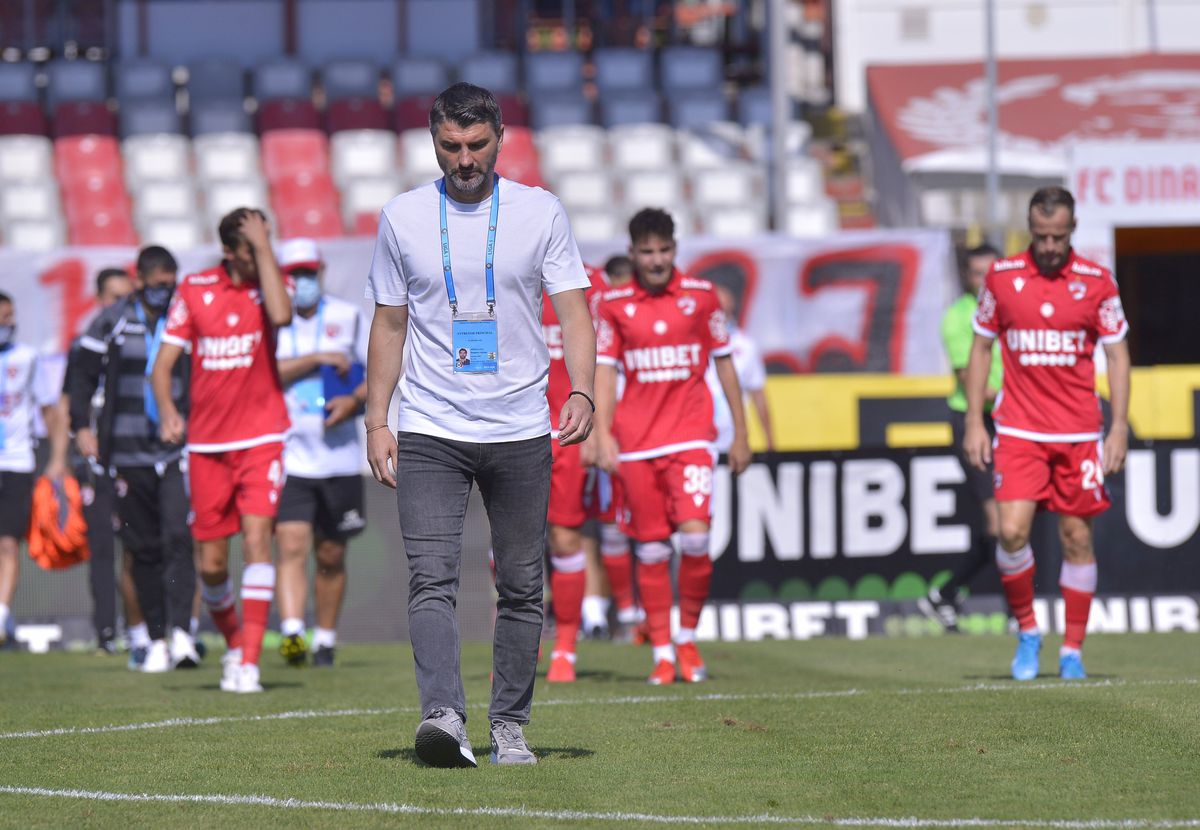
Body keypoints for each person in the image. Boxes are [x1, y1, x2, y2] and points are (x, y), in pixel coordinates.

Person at [364, 83, 595, 767]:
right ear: (433, 140)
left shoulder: (539, 211)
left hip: (521, 427)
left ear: (500, 138)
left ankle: (510, 726)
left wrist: (581, 388)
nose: (463, 158)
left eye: (476, 144)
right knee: (431, 576)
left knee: (521, 581)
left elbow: (575, 312)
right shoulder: (402, 216)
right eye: (449, 146)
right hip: (432, 425)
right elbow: (389, 322)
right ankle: (442, 717)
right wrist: (379, 419)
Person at [964, 186, 1130, 681]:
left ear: (1073, 230)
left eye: (1058, 237)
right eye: (1041, 237)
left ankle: (1073, 649)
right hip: (1018, 428)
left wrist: (1117, 427)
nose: (1051, 246)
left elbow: (1118, 355)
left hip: (1079, 431)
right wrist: (975, 419)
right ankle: (1029, 630)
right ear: (1029, 230)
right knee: (1011, 531)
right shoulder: (1003, 277)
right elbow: (980, 348)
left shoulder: (1098, 282)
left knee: (1077, 536)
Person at [594, 208, 752, 685]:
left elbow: (725, 366)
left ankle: (686, 636)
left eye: (664, 250)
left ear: (675, 250)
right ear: (633, 253)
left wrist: (742, 433)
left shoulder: (702, 299)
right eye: (647, 251)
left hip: (691, 436)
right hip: (638, 443)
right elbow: (604, 371)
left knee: (697, 535)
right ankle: (662, 651)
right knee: (652, 551)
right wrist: (601, 434)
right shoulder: (614, 304)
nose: (657, 259)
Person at [152, 208, 292, 693]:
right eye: (251, 247)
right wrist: (170, 409)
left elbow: (281, 316)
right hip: (207, 444)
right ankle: (235, 642)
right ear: (229, 252)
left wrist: (266, 249)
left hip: (262, 437)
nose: (260, 255)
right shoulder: (194, 288)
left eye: (265, 244)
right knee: (211, 564)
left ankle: (249, 660)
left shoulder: (272, 281)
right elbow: (163, 364)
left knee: (258, 541)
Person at [70, 247, 201, 673]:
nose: (167, 292)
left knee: (179, 539)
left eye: (172, 283)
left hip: (175, 450)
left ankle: (183, 633)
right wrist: (82, 426)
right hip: (126, 453)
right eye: (160, 284)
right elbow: (82, 374)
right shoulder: (113, 320)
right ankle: (156, 637)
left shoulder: (183, 319)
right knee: (142, 548)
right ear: (141, 280)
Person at [273, 237, 369, 668]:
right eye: (294, 275)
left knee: (331, 552)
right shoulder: (271, 321)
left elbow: (381, 368)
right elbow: (265, 373)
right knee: (291, 543)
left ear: (321, 272)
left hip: (340, 455)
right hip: (289, 453)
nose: (302, 282)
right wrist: (316, 358)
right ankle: (293, 632)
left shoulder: (348, 317)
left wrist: (354, 401)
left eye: (309, 273)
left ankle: (325, 638)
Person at [54, 267, 138, 656]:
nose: (122, 304)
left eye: (127, 296)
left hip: (133, 451)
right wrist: (64, 453)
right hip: (94, 456)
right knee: (102, 548)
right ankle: (107, 630)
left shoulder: (139, 337)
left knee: (140, 543)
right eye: (114, 297)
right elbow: (70, 398)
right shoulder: (84, 343)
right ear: (100, 299)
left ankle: (147, 627)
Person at [920, 243, 1002, 631]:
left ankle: (945, 595)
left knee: (1012, 522)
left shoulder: (1014, 307)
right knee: (1000, 524)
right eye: (976, 273)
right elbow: (971, 381)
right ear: (966, 277)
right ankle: (1020, 612)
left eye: (991, 271)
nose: (984, 280)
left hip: (1013, 422)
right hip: (975, 423)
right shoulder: (957, 318)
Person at [542, 265, 608, 682]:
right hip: (510, 427)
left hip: (565, 430)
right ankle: (513, 647)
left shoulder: (589, 282)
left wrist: (599, 429)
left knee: (565, 536)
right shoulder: (497, 264)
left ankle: (565, 647)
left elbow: (607, 358)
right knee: (506, 546)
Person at [0, 292, 67, 646]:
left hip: (15, 461)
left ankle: (0, 616)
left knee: (9, 544)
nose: (6, 325)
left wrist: (57, 458)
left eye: (9, 318)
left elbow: (49, 410)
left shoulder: (26, 357)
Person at [705, 282, 775, 454]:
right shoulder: (690, 342)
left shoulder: (746, 345)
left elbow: (758, 393)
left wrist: (770, 442)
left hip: (731, 441)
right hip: (698, 441)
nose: (721, 315)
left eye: (725, 310)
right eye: (716, 309)